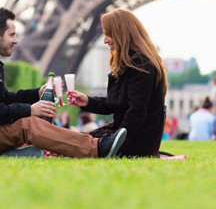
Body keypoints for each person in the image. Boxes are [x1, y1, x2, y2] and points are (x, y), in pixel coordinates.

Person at [0, 7, 126, 158]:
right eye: (12, 34)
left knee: (30, 120)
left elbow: (4, 98)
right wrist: (30, 110)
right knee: (28, 124)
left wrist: (36, 94)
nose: (16, 40)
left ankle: (16, 152)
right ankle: (96, 148)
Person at [67, 9, 168, 157]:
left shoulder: (140, 63)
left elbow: (136, 111)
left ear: (122, 33)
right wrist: (87, 101)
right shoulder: (135, 62)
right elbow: (114, 104)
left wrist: (115, 145)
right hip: (133, 138)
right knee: (76, 140)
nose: (105, 40)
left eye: (109, 34)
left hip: (133, 142)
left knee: (73, 142)